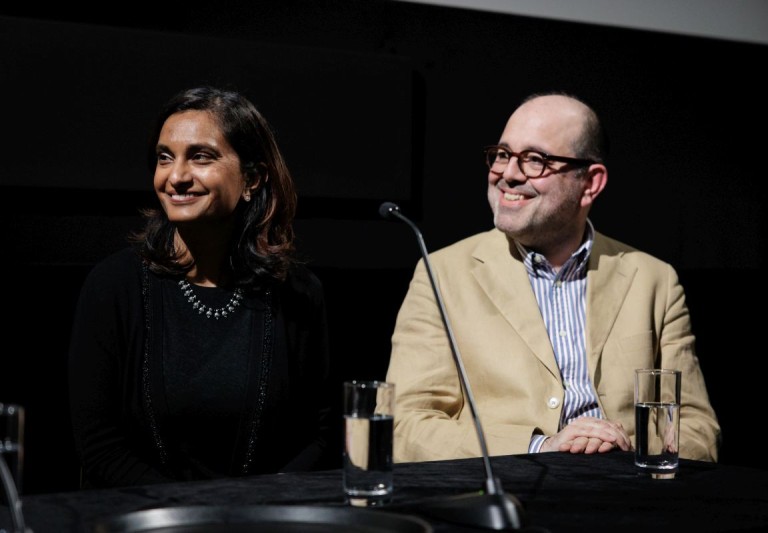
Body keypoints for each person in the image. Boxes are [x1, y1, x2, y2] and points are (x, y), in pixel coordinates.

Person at [385, 91, 721, 463]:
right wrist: (540, 447)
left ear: (590, 183)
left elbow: (698, 431)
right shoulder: (442, 274)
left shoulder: (654, 280)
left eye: (535, 160)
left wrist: (623, 450)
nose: (508, 174)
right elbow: (405, 426)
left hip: (625, 489)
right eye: (502, 154)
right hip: (511, 488)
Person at [68, 86, 337, 488]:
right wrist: (191, 511)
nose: (175, 177)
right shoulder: (113, 286)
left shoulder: (297, 293)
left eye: (200, 156)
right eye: (165, 157)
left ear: (252, 179)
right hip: (146, 515)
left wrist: (259, 505)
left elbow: (322, 434)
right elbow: (99, 446)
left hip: (266, 515)